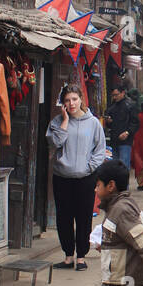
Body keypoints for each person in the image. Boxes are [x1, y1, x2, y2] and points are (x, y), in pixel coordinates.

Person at [48, 85, 107, 271]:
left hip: (85, 178)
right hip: (61, 177)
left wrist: (88, 168)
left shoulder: (93, 123)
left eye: (74, 99)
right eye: (67, 100)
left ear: (81, 98)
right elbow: (55, 142)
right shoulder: (57, 122)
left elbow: (100, 150)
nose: (71, 103)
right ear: (62, 103)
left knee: (83, 217)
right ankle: (67, 256)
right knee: (63, 217)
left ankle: (81, 256)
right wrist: (65, 121)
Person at [104, 82, 139, 172]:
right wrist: (108, 121)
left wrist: (127, 132)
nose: (115, 97)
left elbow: (135, 122)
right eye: (113, 95)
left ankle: (123, 186)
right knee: (115, 166)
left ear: (123, 93)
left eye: (116, 95)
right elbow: (109, 123)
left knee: (123, 165)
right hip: (114, 139)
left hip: (125, 141)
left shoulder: (130, 105)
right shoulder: (112, 106)